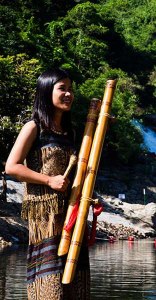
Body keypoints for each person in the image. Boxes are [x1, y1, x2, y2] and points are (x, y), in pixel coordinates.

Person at [5, 68, 90, 299]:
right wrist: (49, 180)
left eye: (71, 89)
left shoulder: (71, 133)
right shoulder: (34, 128)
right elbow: (12, 167)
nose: (68, 94)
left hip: (71, 215)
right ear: (45, 92)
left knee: (75, 282)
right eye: (62, 88)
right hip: (45, 217)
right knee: (50, 283)